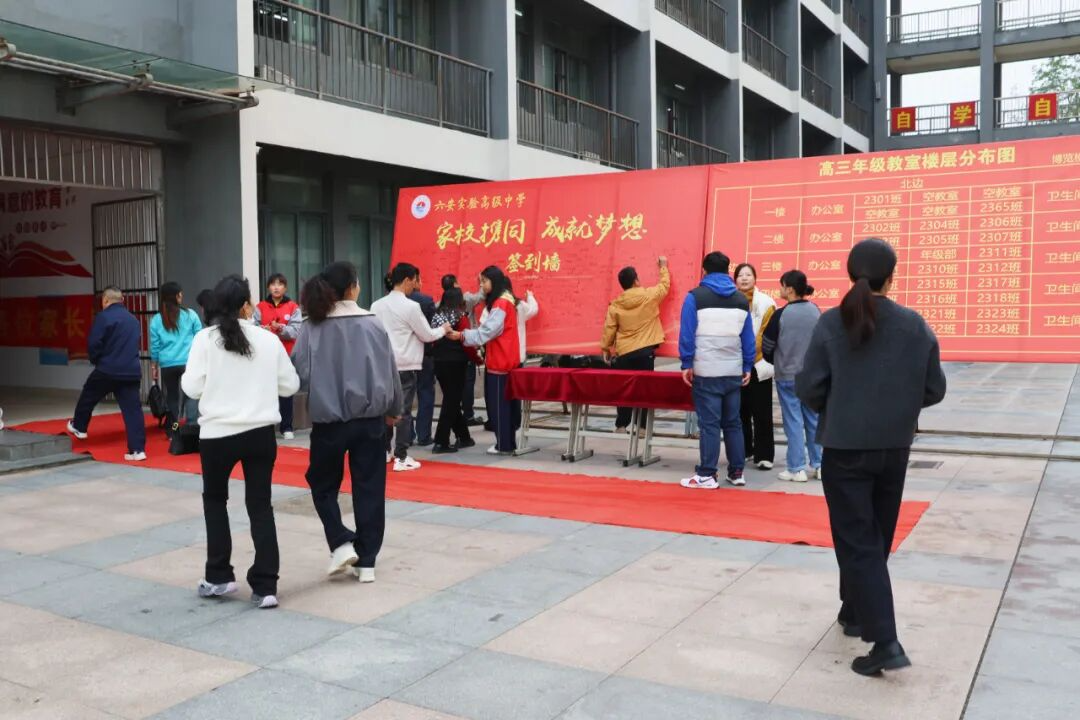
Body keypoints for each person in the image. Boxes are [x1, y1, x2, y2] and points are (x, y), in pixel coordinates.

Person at [796, 238, 946, 676]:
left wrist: (840, 406)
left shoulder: (831, 323)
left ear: (850, 274)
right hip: (894, 448)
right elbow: (934, 389)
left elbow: (809, 387)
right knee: (874, 538)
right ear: (891, 277)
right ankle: (854, 610)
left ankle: (885, 641)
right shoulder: (914, 325)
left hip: (845, 449)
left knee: (858, 540)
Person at [181, 275, 300, 609]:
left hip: (217, 435)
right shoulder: (268, 340)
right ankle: (266, 585)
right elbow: (290, 385)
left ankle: (219, 576)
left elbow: (191, 388)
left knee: (215, 501)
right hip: (260, 433)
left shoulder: (205, 340)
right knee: (260, 505)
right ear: (247, 305)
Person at [292, 261, 403, 583]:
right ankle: (367, 561)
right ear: (353, 287)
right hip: (371, 420)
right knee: (370, 488)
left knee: (322, 483)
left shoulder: (312, 326)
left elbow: (299, 374)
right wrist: (394, 408)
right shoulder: (373, 323)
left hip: (329, 422)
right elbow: (390, 371)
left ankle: (340, 540)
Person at [677, 252, 755, 489]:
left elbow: (687, 333)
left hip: (706, 370)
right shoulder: (741, 300)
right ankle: (737, 472)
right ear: (728, 270)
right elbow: (748, 337)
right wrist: (747, 365)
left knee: (709, 424)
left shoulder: (695, 297)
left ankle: (707, 474)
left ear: (704, 270)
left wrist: (686, 363)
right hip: (733, 370)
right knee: (733, 423)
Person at [371, 263, 451, 471]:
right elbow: (427, 335)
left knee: (386, 410)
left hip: (383, 365)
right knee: (404, 411)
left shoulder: (377, 305)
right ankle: (401, 456)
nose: (416, 285)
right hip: (405, 364)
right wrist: (444, 329)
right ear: (407, 280)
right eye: (415, 281)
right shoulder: (411, 307)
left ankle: (385, 451)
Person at [67, 286, 147, 462]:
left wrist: (97, 360)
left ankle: (79, 426)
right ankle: (137, 450)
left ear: (105, 300)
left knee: (89, 395)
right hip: (131, 371)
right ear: (122, 300)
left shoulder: (103, 317)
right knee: (133, 411)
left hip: (108, 369)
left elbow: (94, 343)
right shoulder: (133, 320)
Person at [762, 270, 822, 484]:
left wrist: (775, 360)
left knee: (793, 422)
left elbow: (767, 345)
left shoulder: (781, 314)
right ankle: (819, 465)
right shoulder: (815, 311)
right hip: (812, 376)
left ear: (789, 289)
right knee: (813, 420)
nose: (780, 289)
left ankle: (797, 468)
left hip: (787, 375)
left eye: (782, 285)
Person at [601, 256, 670, 432]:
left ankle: (621, 425)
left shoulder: (616, 304)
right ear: (636, 281)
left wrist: (606, 348)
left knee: (624, 390)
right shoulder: (648, 296)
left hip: (624, 352)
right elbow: (664, 286)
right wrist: (663, 267)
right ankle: (641, 428)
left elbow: (610, 328)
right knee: (644, 390)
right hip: (645, 352)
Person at [459, 266, 520, 455]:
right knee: (507, 407)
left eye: (484, 281)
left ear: (494, 281)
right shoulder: (508, 300)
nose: (482, 286)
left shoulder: (500, 304)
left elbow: (487, 332)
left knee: (498, 407)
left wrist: (462, 335)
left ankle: (504, 445)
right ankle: (508, 442)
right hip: (507, 361)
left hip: (500, 363)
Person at [733, 263, 776, 470]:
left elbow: (766, 335)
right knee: (740, 411)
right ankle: (744, 451)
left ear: (755, 278)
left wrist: (750, 357)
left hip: (759, 364)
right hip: (735, 364)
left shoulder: (766, 302)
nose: (744, 278)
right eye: (740, 275)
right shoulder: (730, 301)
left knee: (762, 411)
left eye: (748, 274)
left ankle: (764, 455)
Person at [429, 287, 482, 454]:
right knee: (451, 401)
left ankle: (464, 437)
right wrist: (477, 359)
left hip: (439, 362)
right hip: (456, 363)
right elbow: (467, 343)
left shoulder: (437, 316)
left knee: (451, 400)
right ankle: (441, 441)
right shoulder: (461, 316)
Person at [254, 273, 302, 440]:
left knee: (286, 390)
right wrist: (264, 329)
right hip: (264, 356)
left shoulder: (293, 307)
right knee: (265, 391)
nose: (276, 287)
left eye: (280, 284)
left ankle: (287, 427)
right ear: (268, 287)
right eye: (273, 284)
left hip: (286, 355)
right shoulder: (260, 307)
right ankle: (265, 427)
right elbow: (253, 328)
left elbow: (296, 331)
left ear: (285, 288)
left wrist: (280, 328)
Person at [149, 281, 202, 426]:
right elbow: (199, 337)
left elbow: (155, 346)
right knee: (190, 393)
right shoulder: (190, 315)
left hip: (167, 364)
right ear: (177, 296)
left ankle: (173, 427)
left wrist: (154, 366)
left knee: (172, 396)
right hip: (188, 362)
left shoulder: (157, 320)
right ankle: (192, 424)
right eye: (180, 294)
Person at [443, 273, 484, 427]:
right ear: (455, 285)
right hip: (465, 348)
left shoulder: (440, 304)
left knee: (453, 387)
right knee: (467, 383)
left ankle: (457, 416)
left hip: (449, 352)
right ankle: (468, 415)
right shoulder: (465, 299)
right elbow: (480, 296)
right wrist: (481, 281)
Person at [409, 273, 438, 447]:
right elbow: (433, 326)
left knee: (405, 397)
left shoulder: (390, 303)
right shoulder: (426, 301)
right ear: (414, 281)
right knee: (425, 393)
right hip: (424, 354)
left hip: (402, 357)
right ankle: (423, 435)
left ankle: (407, 435)